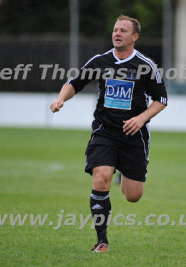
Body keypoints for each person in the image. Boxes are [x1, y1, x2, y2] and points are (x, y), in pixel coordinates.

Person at [50, 15, 168, 252]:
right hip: (105, 131)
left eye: (123, 31)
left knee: (133, 196)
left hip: (134, 135)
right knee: (101, 177)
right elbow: (74, 82)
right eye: (115, 30)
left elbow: (161, 100)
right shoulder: (100, 61)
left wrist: (141, 117)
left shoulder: (146, 66)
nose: (117, 34)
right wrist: (61, 98)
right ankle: (101, 240)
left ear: (134, 37)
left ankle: (122, 173)